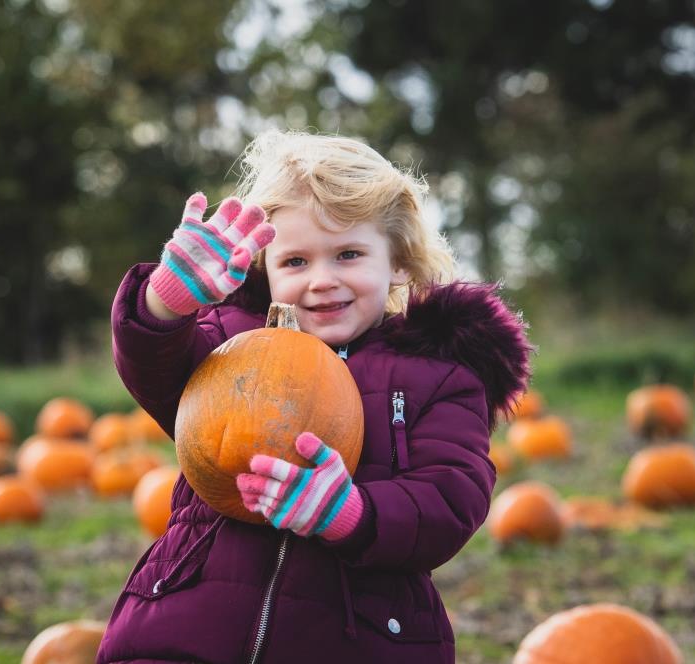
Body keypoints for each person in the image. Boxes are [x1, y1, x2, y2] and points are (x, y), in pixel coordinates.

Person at [98, 130, 532, 664]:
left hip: (359, 637)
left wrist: (350, 513)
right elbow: (155, 371)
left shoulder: (436, 374)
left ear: (397, 261)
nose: (323, 280)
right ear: (266, 268)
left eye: (348, 254)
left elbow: (449, 499)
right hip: (189, 622)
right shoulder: (232, 344)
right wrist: (166, 303)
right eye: (296, 262)